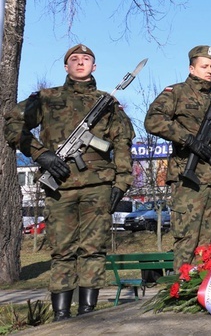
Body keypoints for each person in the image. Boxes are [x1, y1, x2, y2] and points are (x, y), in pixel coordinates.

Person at [3, 44, 135, 321]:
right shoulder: (47, 98)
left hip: (98, 186)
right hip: (60, 185)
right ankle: (61, 317)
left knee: (94, 249)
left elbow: (123, 143)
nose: (80, 62)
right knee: (62, 251)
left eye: (86, 59)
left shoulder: (107, 103)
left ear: (94, 66)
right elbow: (13, 124)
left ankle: (88, 314)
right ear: (66, 67)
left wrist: (121, 183)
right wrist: (42, 155)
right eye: (74, 59)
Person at [144, 45, 211, 271]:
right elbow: (153, 120)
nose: (210, 71)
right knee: (187, 240)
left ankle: (206, 294)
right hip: (189, 180)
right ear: (191, 68)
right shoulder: (176, 92)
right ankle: (182, 291)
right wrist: (188, 139)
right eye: (204, 66)